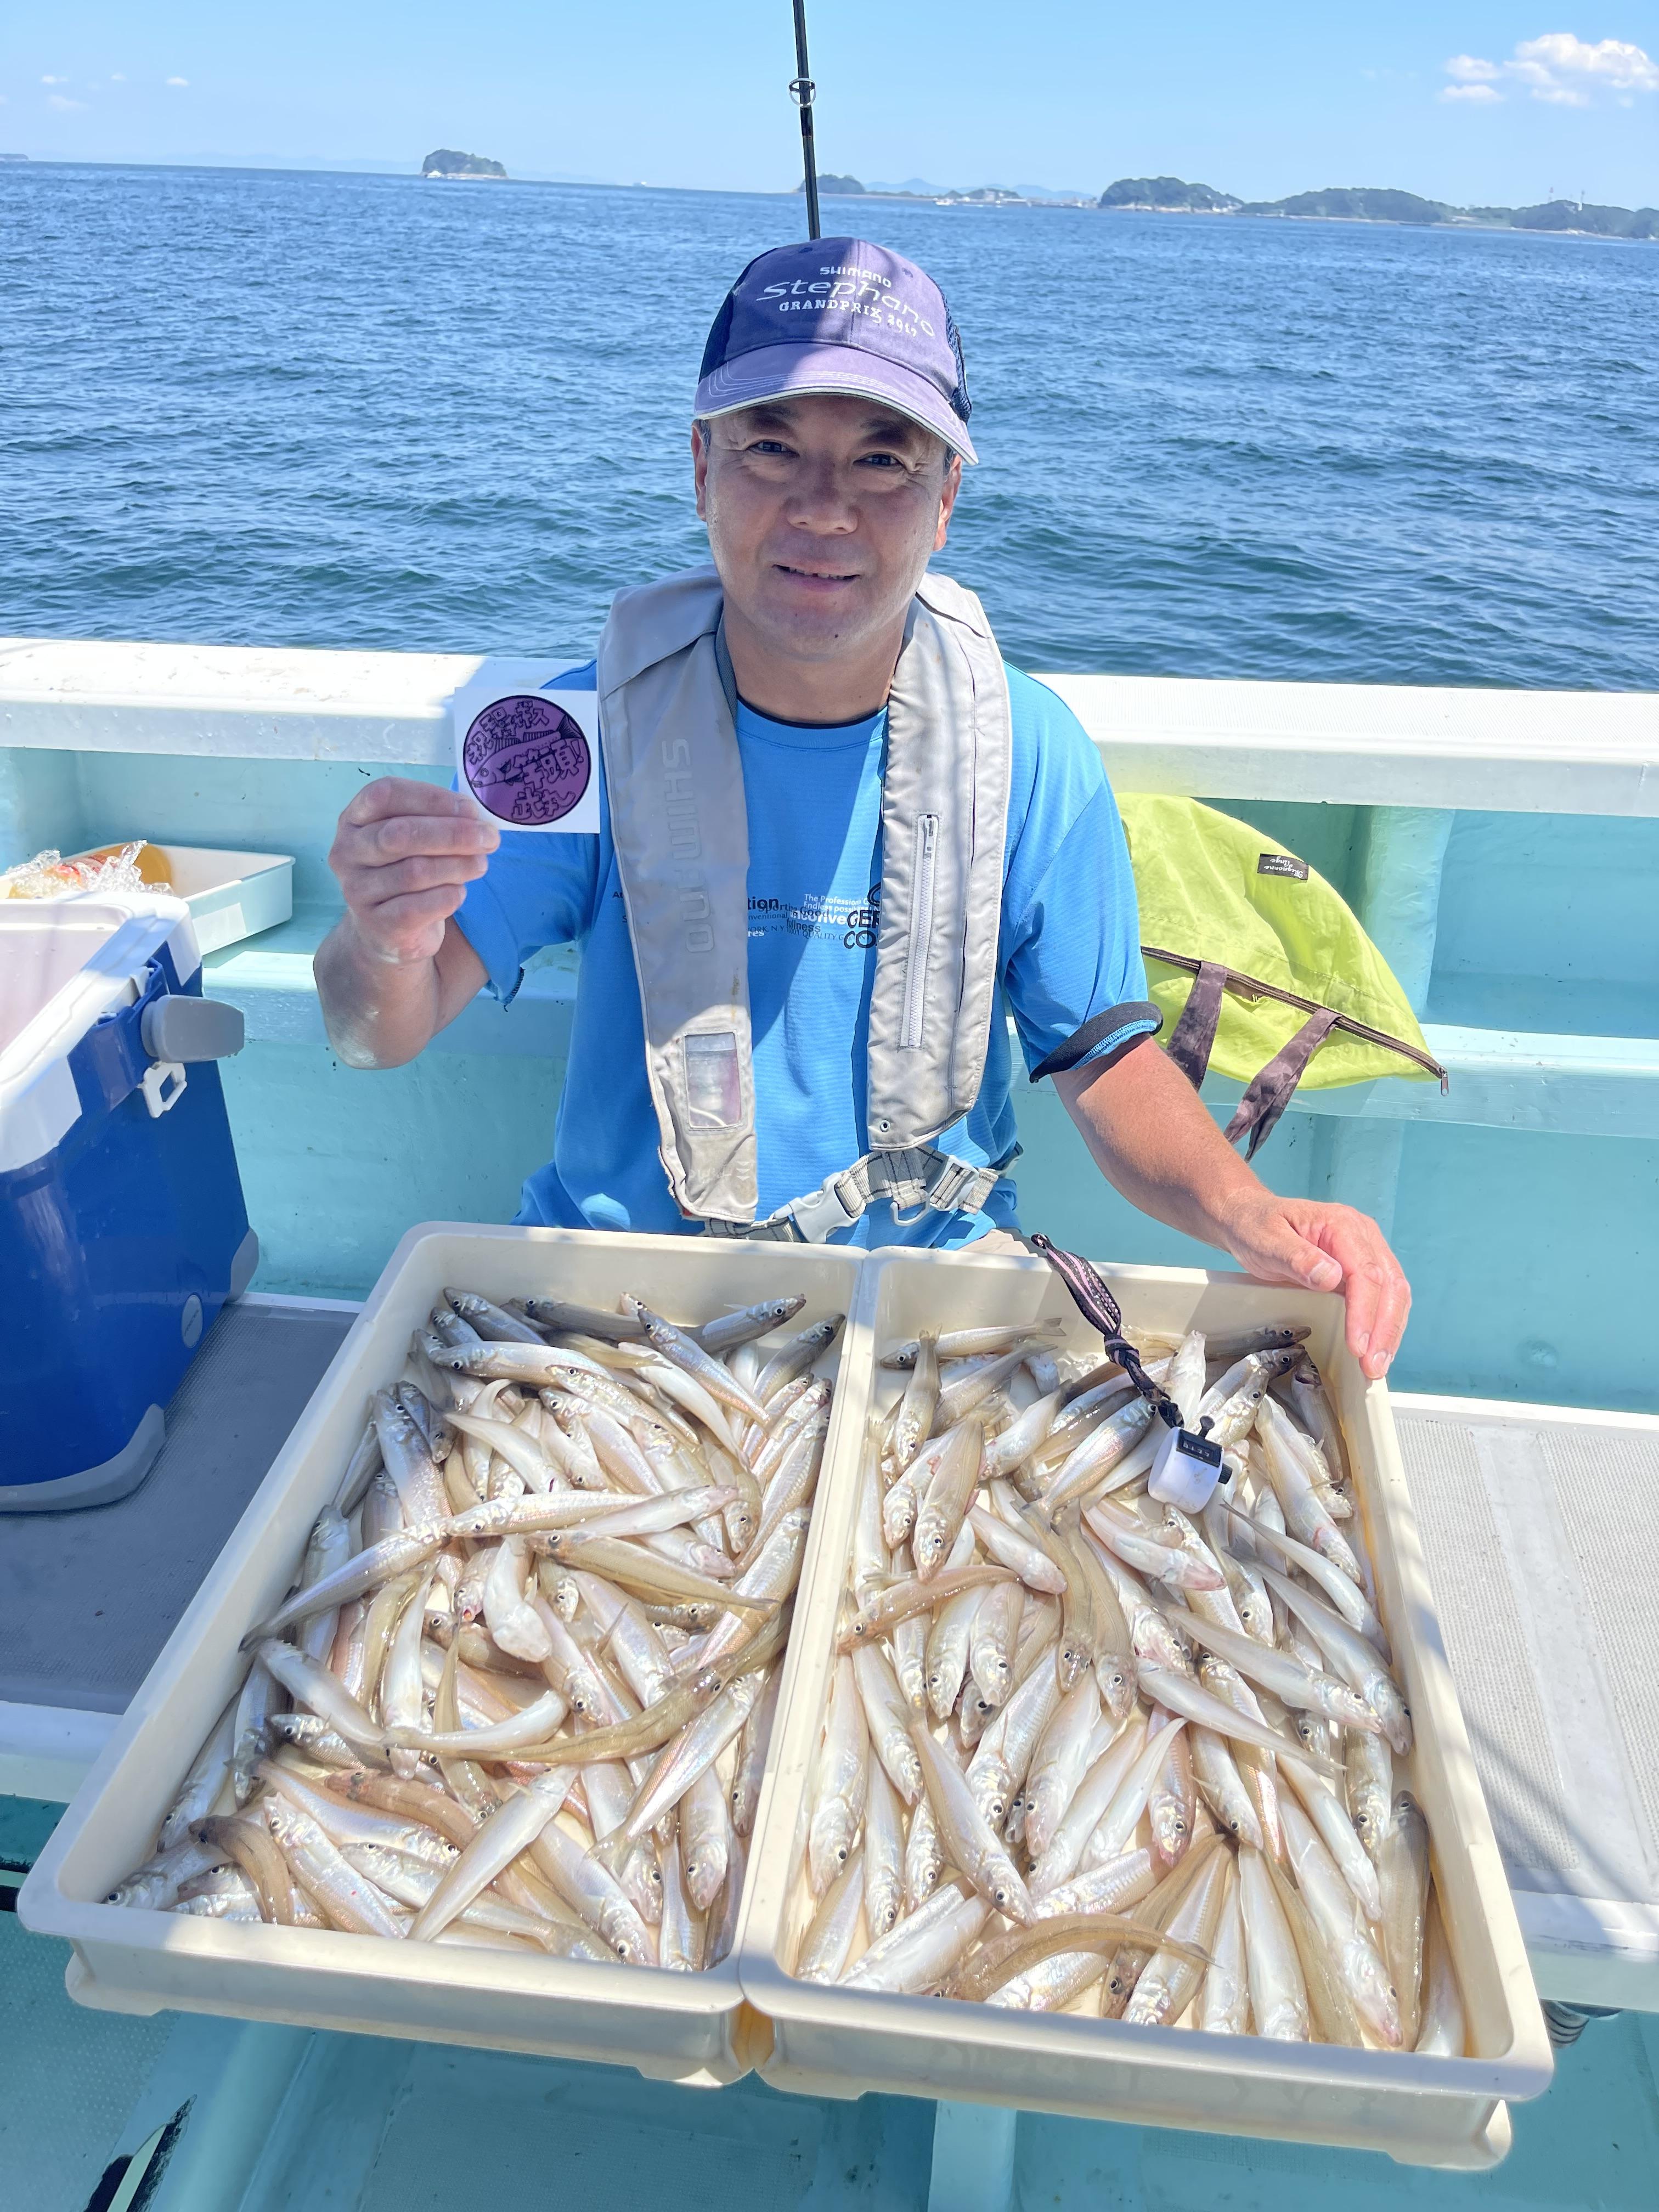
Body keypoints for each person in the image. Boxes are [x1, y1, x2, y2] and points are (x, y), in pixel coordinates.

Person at [315, 238, 1409, 1378]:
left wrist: (1254, 1216)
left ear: (945, 500)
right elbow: (372, 1031)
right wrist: (382, 939)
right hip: (625, 1306)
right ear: (702, 469)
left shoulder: (1029, 749)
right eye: (772, 449)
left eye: (883, 461)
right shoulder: (581, 735)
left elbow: (1105, 1061)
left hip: (930, 1312)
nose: (823, 509)